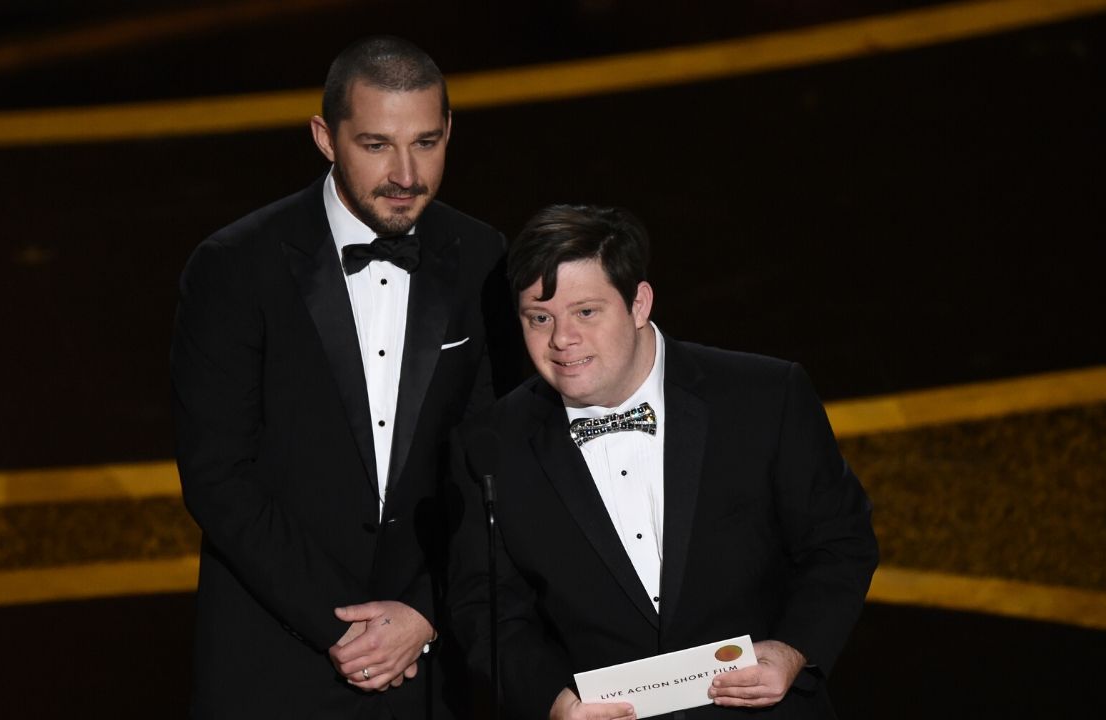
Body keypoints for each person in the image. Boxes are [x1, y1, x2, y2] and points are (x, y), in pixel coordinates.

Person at [171, 35, 521, 718]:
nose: (405, 174)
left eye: (425, 142)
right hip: (274, 656)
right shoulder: (235, 267)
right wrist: (347, 628)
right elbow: (218, 477)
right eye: (375, 145)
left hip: (430, 663)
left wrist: (425, 610)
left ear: (449, 130)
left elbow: (497, 464)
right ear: (325, 138)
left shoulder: (482, 255)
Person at [446, 205, 879, 719]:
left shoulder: (763, 398)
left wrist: (793, 650)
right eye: (540, 318)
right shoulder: (493, 442)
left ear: (639, 304)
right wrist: (555, 702)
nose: (562, 340)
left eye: (586, 312)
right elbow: (488, 608)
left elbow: (840, 540)